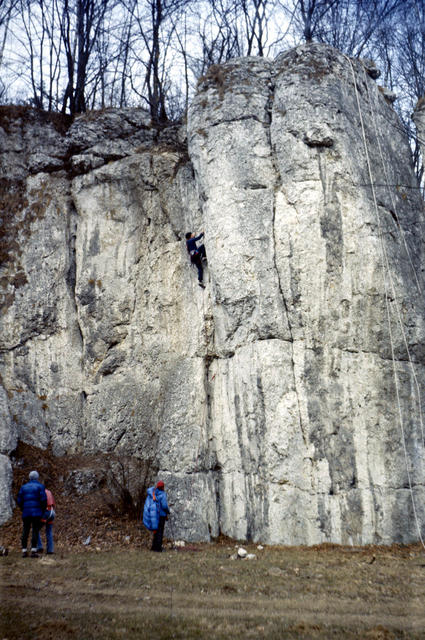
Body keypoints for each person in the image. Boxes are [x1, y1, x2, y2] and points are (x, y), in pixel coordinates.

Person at [17, 470, 47, 558]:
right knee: (35, 530)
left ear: (29, 477)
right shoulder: (40, 487)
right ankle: (33, 551)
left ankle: (24, 550)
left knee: (25, 530)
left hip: (26, 512)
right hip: (37, 513)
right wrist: (42, 510)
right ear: (37, 478)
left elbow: (19, 500)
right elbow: (43, 500)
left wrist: (23, 508)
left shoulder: (23, 487)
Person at [146, 480, 170, 552]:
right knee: (160, 532)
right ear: (162, 487)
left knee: (155, 532)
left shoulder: (154, 494)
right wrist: (168, 511)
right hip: (161, 515)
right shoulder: (163, 494)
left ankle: (154, 547)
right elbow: (164, 506)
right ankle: (158, 548)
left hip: (154, 515)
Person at [37, 487, 56, 554]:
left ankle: (39, 547)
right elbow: (53, 503)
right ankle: (50, 550)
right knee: (49, 531)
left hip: (46, 512)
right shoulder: (49, 492)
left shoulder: (40, 493)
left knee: (35, 529)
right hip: (52, 512)